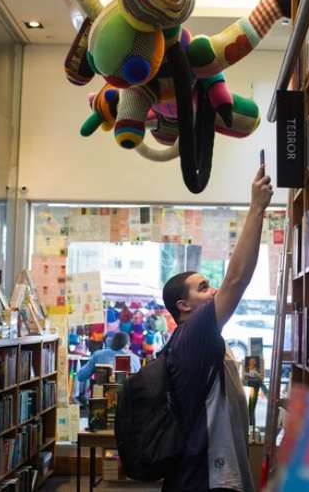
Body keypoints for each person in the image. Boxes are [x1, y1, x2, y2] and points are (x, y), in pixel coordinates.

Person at [162, 165, 274, 492]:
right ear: (183, 306)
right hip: (206, 480)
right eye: (203, 287)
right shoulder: (193, 333)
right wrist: (256, 208)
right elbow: (236, 280)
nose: (212, 291)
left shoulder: (195, 337)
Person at [76, 331, 141, 382]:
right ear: (128, 344)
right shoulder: (135, 359)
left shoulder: (98, 355)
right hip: (126, 396)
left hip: (102, 396)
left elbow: (81, 376)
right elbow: (138, 381)